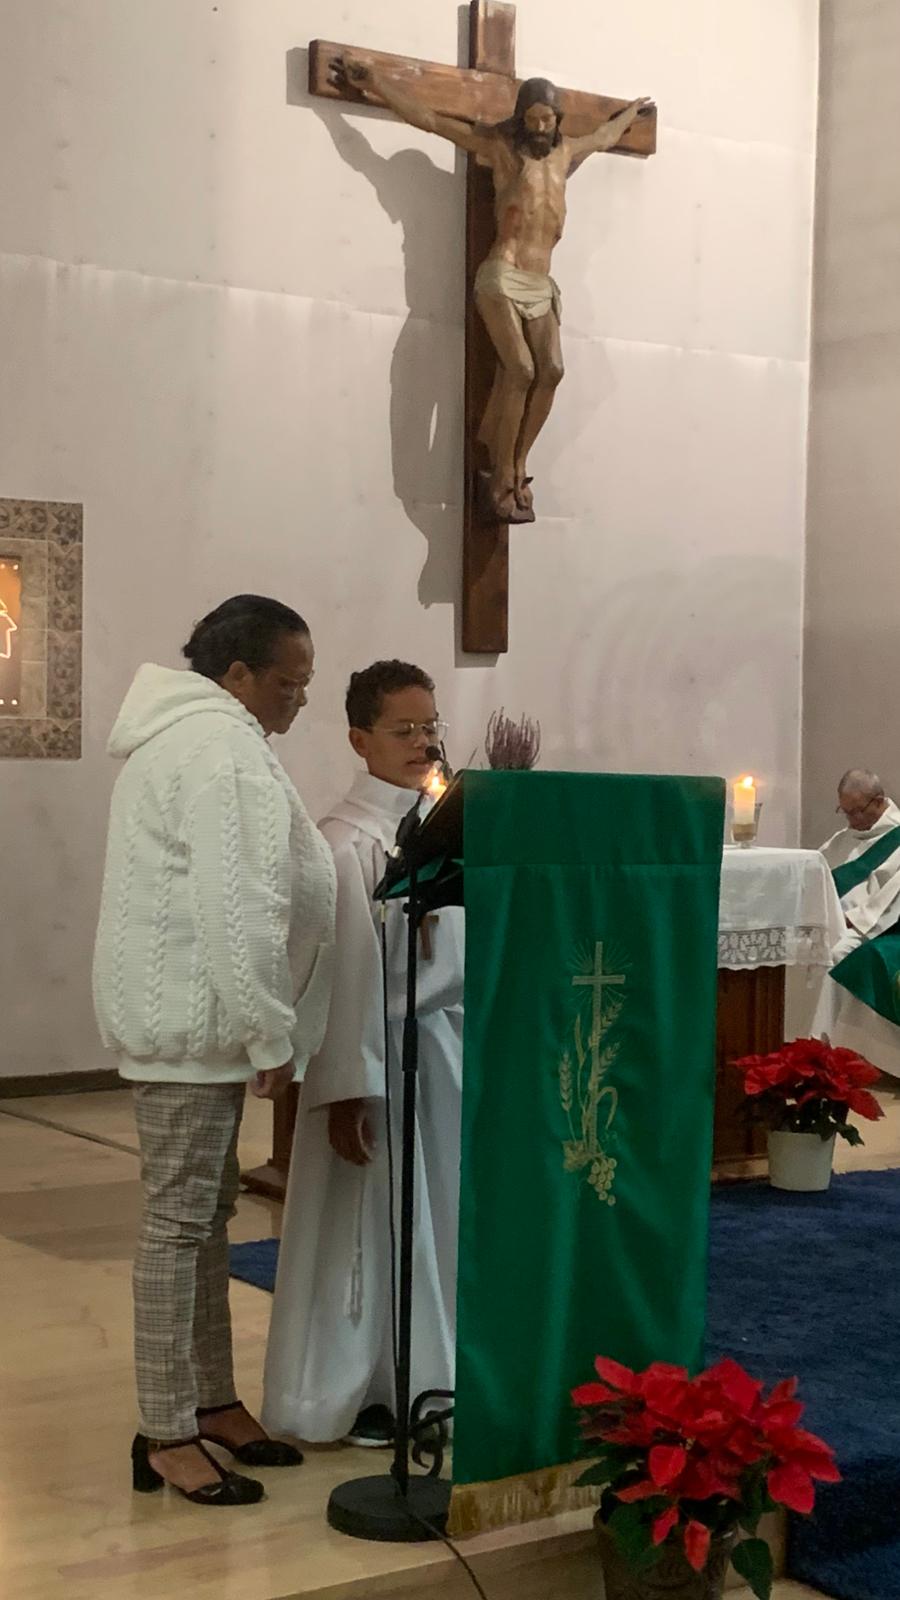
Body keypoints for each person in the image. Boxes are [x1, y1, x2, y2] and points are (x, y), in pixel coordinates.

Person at [92, 595, 336, 1505]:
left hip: (198, 1025)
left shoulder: (205, 737)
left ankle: (210, 1399)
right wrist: (269, 1027)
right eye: (290, 681)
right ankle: (165, 1433)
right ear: (237, 674)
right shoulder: (214, 747)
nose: (299, 698)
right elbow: (238, 906)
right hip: (195, 1029)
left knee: (204, 1218)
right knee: (179, 1226)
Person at [262, 660, 464, 1447]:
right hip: (375, 1065)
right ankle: (361, 1385)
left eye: (430, 726)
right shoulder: (346, 844)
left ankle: (428, 1371)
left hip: (439, 1055)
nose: (422, 742)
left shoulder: (443, 831)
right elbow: (345, 977)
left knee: (431, 1221)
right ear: (359, 739)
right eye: (402, 729)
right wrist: (348, 1088)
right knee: (368, 1227)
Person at [330, 57, 651, 523]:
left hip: (541, 282)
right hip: (502, 273)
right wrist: (376, 84)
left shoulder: (566, 153)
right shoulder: (500, 150)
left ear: (557, 120)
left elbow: (603, 136)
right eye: (532, 118)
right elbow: (430, 120)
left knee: (552, 371)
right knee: (519, 368)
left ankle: (518, 464)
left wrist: (630, 113)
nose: (539, 127)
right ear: (520, 119)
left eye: (547, 119)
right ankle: (501, 472)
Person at [816, 768, 900, 1080]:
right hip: (831, 920)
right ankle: (794, 1045)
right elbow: (817, 872)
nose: (851, 820)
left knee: (834, 955)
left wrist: (852, 923)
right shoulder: (844, 838)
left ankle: (827, 1052)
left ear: (878, 801)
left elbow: (889, 901)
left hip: (869, 927)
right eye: (845, 811)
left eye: (856, 811)